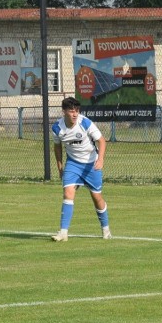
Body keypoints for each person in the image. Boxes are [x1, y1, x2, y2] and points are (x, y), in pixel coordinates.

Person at [51, 97, 111, 242]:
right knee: (68, 192)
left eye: (77, 111)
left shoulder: (85, 123)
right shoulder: (57, 128)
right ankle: (63, 233)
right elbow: (57, 147)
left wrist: (100, 159)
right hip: (73, 164)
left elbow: (101, 141)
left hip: (91, 164)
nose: (75, 114)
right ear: (64, 111)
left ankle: (106, 229)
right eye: (71, 111)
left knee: (97, 198)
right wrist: (60, 166)